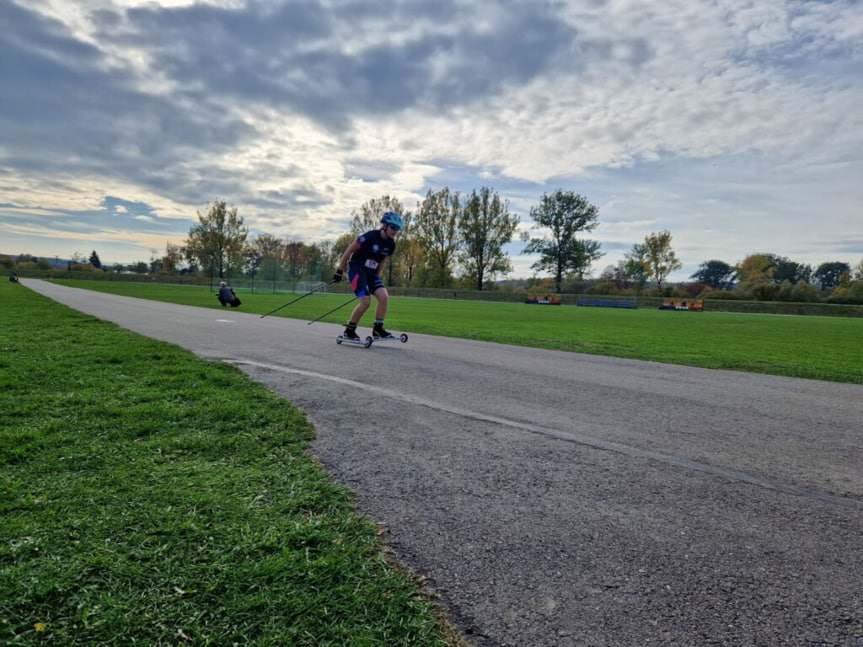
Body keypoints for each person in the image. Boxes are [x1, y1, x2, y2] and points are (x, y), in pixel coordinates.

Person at [332, 211, 404, 339]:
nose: (395, 231)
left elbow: (382, 262)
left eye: (397, 228)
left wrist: (375, 278)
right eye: (393, 227)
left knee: (384, 297)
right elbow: (349, 250)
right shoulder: (370, 236)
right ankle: (350, 330)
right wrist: (339, 271)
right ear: (385, 226)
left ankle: (378, 329)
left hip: (371, 273)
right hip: (357, 270)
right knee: (365, 302)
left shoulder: (391, 244)